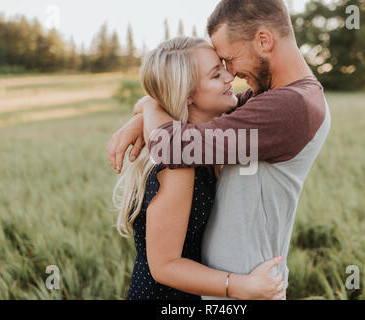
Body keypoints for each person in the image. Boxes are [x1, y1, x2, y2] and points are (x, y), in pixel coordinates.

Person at [108, 0, 331, 300]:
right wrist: (149, 108)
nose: (231, 74)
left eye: (230, 58)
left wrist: (149, 106)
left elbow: (170, 145)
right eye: (218, 69)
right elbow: (200, 110)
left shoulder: (289, 106)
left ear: (264, 41)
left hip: (247, 287)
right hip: (224, 289)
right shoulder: (270, 99)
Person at [112, 36, 284, 300]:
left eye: (223, 68)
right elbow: (164, 266)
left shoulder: (201, 140)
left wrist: (147, 107)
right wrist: (239, 286)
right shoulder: (179, 166)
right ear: (188, 95)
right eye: (216, 75)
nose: (229, 77)